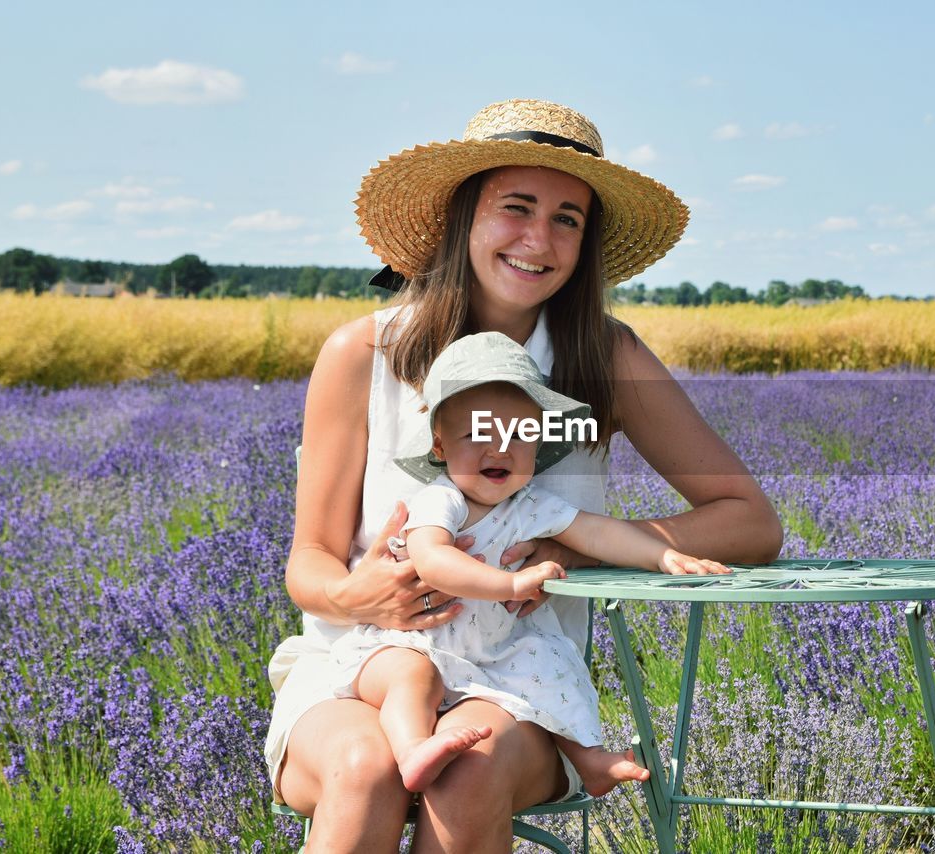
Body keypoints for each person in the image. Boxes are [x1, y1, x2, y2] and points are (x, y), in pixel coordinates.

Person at [264, 98, 783, 852]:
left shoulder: (603, 361)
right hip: (362, 668)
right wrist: (358, 593)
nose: (539, 239)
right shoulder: (364, 356)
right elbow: (308, 564)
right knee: (361, 767)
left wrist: (579, 548)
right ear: (462, 217)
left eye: (568, 218)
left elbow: (751, 520)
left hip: (520, 685)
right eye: (517, 207)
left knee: (468, 767)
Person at [328, 330, 729, 797]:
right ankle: (413, 747)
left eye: (519, 434)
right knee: (410, 677)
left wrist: (661, 553)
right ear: (440, 448)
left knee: (549, 663)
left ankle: (589, 758)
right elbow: (434, 560)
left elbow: (598, 532)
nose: (499, 449)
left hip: (493, 652)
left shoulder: (529, 505)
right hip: (414, 641)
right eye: (478, 433)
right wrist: (511, 584)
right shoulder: (441, 501)